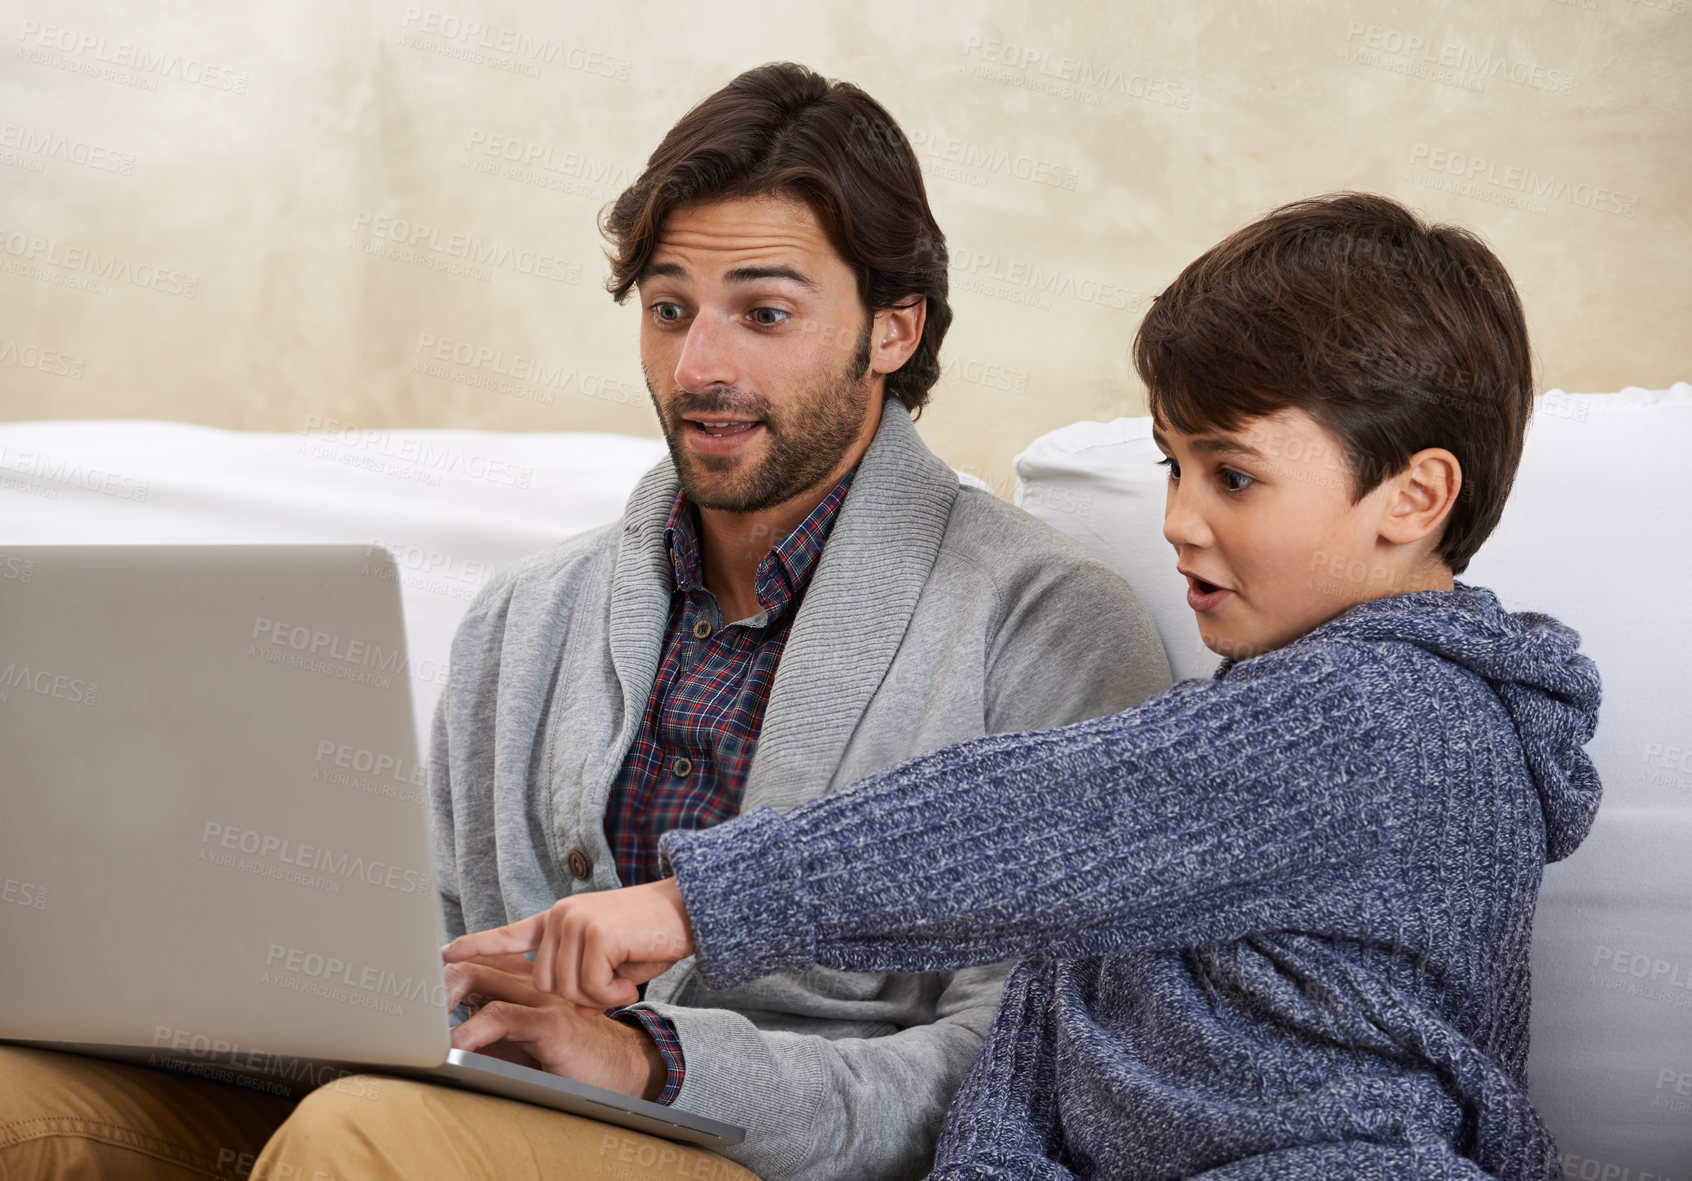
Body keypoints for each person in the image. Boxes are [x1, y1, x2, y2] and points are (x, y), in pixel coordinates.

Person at [0, 63, 1170, 1181]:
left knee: (362, 1136)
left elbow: (1031, 1066)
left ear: (894, 330)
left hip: (763, 1149)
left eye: (764, 311)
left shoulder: (1045, 625)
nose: (700, 365)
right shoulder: (525, 616)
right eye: (670, 309)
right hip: (476, 1100)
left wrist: (654, 1057)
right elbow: (416, 951)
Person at [453, 193, 1604, 1179]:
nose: (1179, 520)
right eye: (1174, 463)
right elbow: (1042, 1049)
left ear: (1413, 497)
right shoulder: (1258, 718)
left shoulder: (1400, 720)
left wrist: (684, 903)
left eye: (1234, 476)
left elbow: (1023, 820)